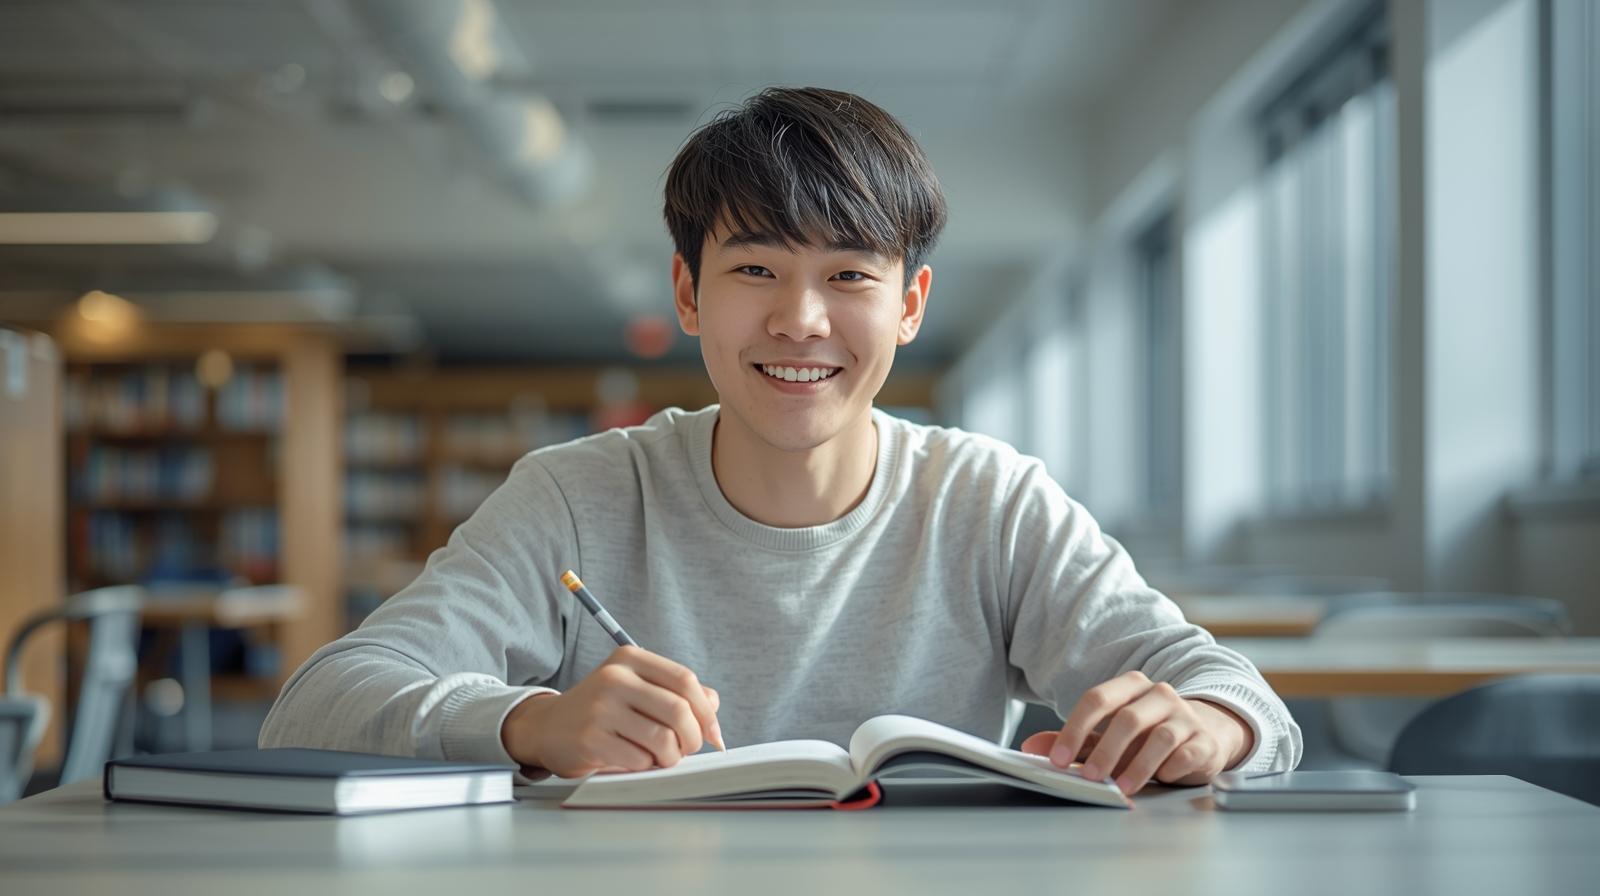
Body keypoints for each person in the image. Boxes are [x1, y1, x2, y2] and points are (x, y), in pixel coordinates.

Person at [260, 86, 1301, 795]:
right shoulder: (575, 496)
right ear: (687, 293)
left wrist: (1213, 726)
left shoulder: (986, 496)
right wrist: (528, 722)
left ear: (910, 304)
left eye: (849, 274)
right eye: (755, 269)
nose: (801, 321)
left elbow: (1243, 699)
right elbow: (309, 709)